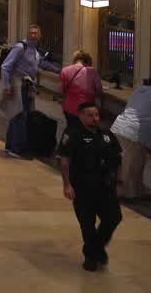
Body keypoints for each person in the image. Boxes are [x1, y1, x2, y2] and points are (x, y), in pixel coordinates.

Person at [58, 101, 123, 272]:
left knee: (113, 218)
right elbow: (64, 159)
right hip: (82, 186)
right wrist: (67, 185)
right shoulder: (73, 133)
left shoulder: (106, 135)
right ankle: (92, 257)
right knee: (87, 223)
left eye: (96, 115)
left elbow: (118, 159)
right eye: (90, 115)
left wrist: (119, 182)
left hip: (105, 186)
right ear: (80, 115)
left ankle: (93, 248)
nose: (94, 119)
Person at [108, 80, 151, 201]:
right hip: (136, 133)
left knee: (130, 161)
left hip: (121, 126)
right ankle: (132, 193)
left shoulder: (141, 90)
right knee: (134, 164)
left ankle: (135, 189)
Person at [0, 25, 42, 156]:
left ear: (40, 36)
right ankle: (16, 149)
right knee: (19, 116)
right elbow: (5, 66)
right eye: (31, 33)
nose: (33, 35)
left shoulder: (36, 51)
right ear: (27, 34)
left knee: (21, 115)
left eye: (36, 33)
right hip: (17, 84)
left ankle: (12, 146)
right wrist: (6, 86)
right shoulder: (20, 47)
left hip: (27, 86)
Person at [59, 51, 101, 133]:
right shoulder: (92, 72)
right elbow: (99, 91)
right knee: (85, 134)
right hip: (86, 112)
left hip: (69, 109)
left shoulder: (65, 70)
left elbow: (60, 90)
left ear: (75, 59)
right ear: (87, 61)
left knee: (72, 132)